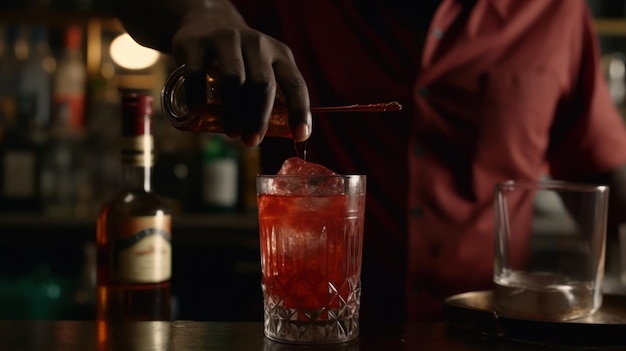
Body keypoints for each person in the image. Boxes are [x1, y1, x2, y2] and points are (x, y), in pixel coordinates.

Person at [114, 0, 626, 322]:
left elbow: (604, 168)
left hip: (484, 330)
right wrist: (202, 9)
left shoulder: (555, 13)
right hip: (313, 334)